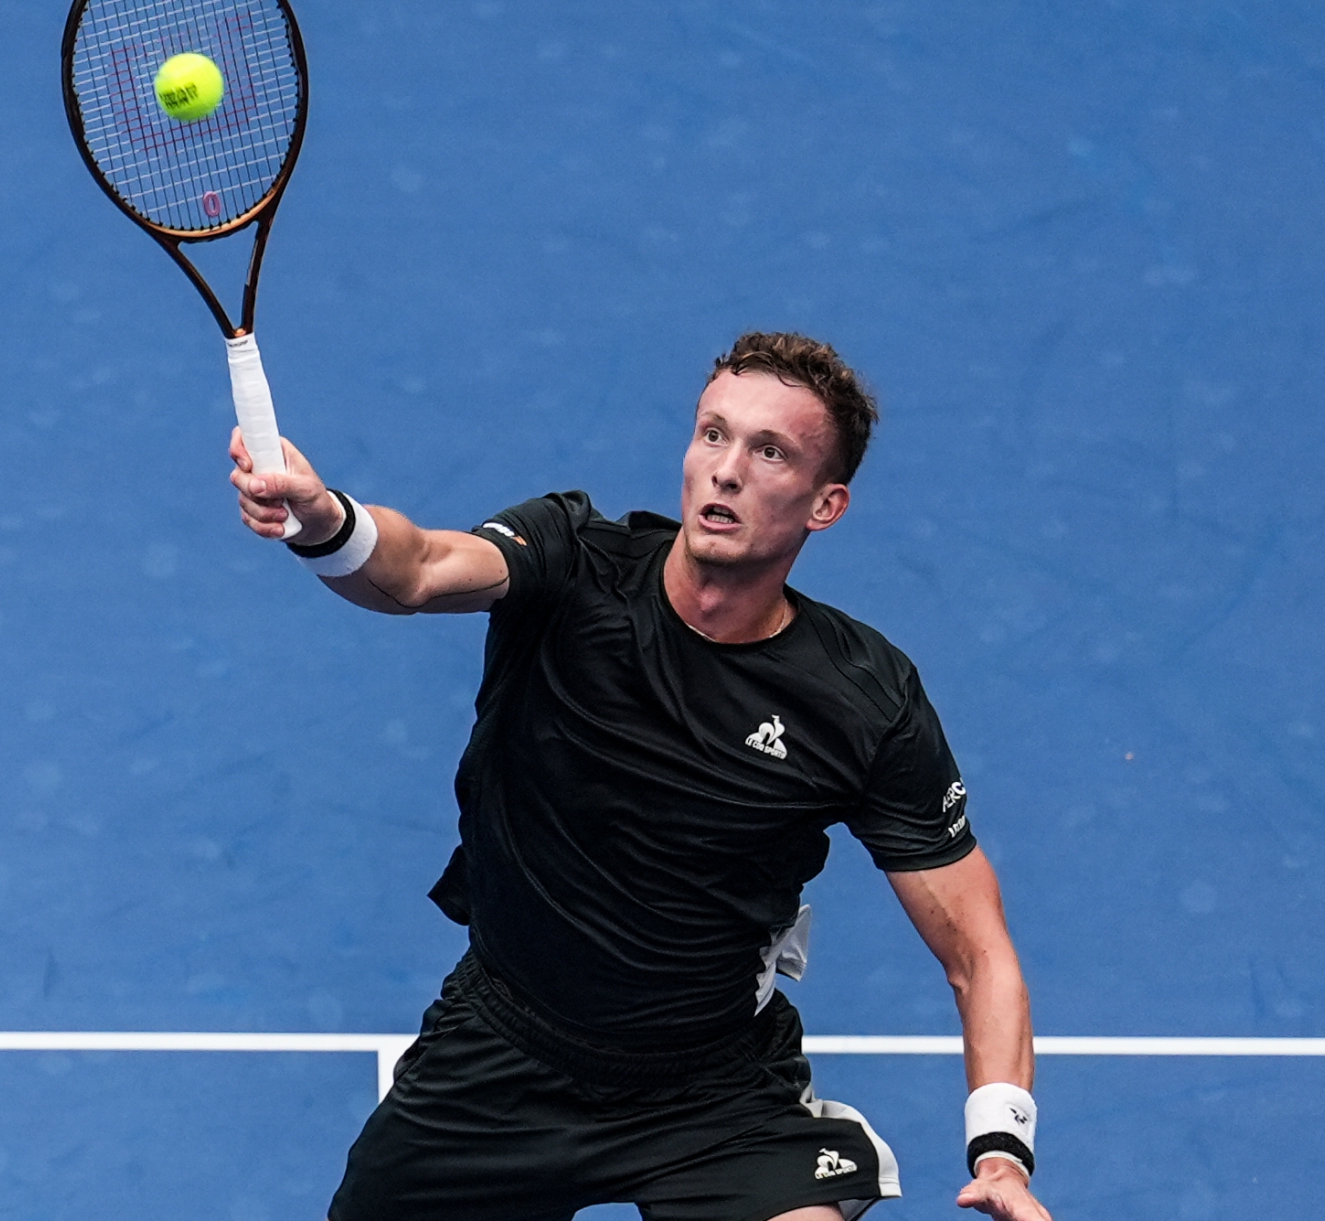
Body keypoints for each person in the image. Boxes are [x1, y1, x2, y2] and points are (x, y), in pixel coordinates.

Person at [229, 332, 1053, 1221]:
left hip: (713, 1091)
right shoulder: (575, 562)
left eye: (768, 451)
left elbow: (978, 949)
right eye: (713, 434)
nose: (725, 471)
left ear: (827, 504)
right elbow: (421, 568)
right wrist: (325, 519)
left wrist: (1002, 1150)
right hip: (504, 1055)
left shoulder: (861, 699)